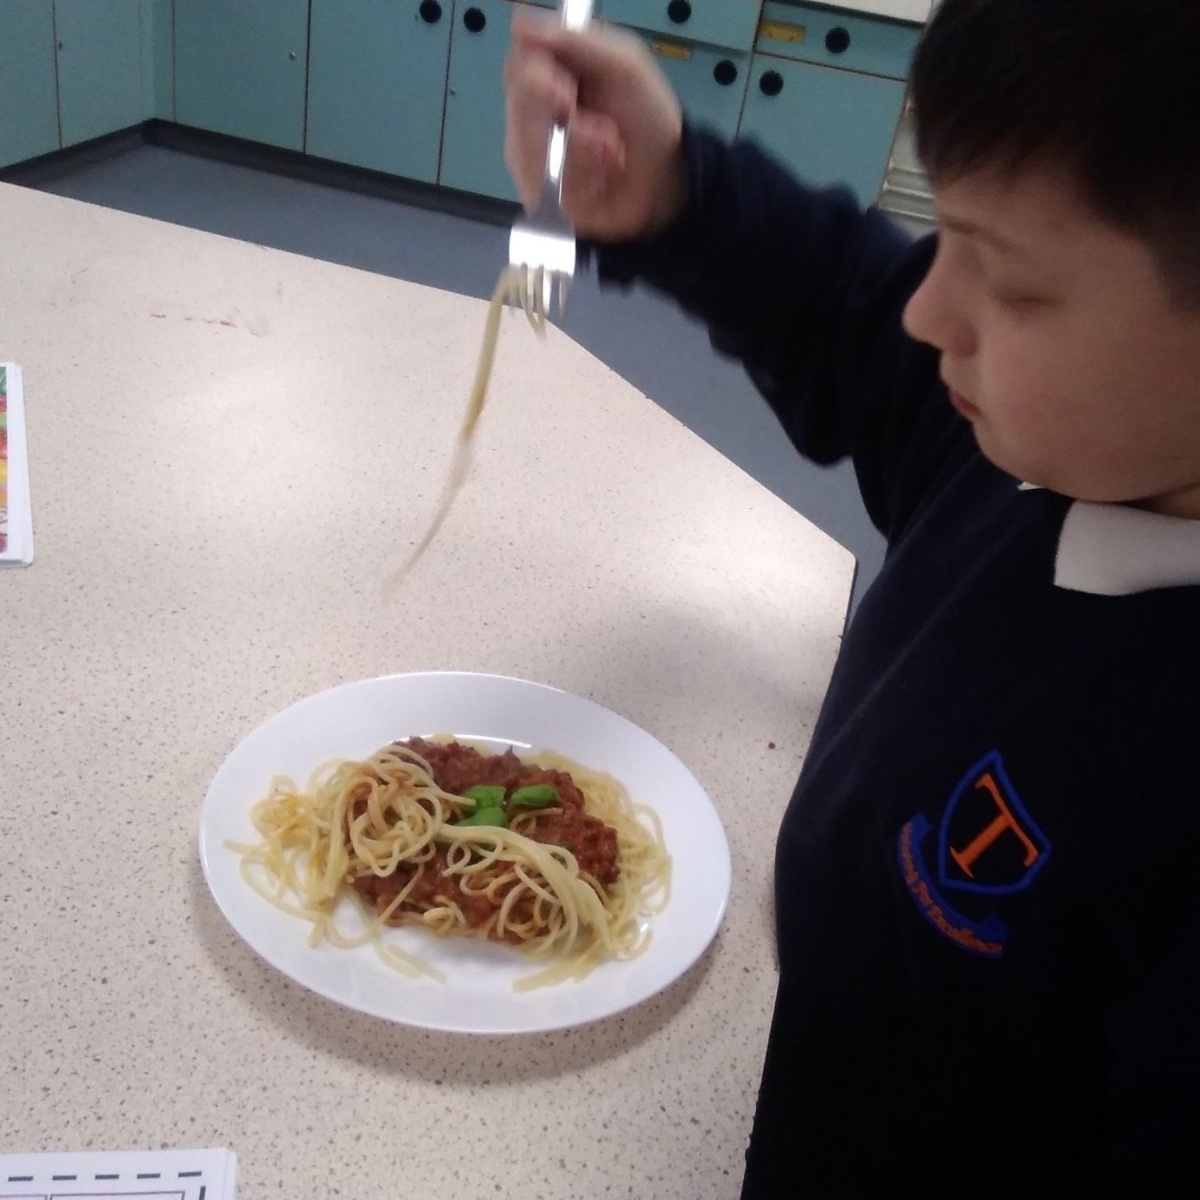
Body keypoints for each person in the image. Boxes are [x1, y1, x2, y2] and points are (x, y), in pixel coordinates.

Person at [505, 1, 1200, 1195]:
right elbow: (856, 316)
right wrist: (674, 191)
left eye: (1013, 287)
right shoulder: (1059, 450)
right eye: (947, 238)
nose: (932, 312)